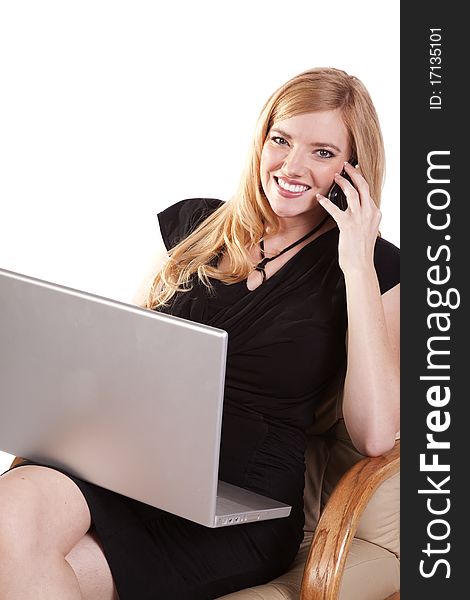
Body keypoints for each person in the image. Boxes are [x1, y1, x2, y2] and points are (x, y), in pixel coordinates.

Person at [0, 67, 400, 600]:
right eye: (280, 140)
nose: (292, 165)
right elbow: (125, 347)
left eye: (323, 153)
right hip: (137, 467)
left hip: (237, 502)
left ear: (354, 169)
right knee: (13, 513)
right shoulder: (197, 223)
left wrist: (357, 263)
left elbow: (375, 434)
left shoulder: (376, 268)